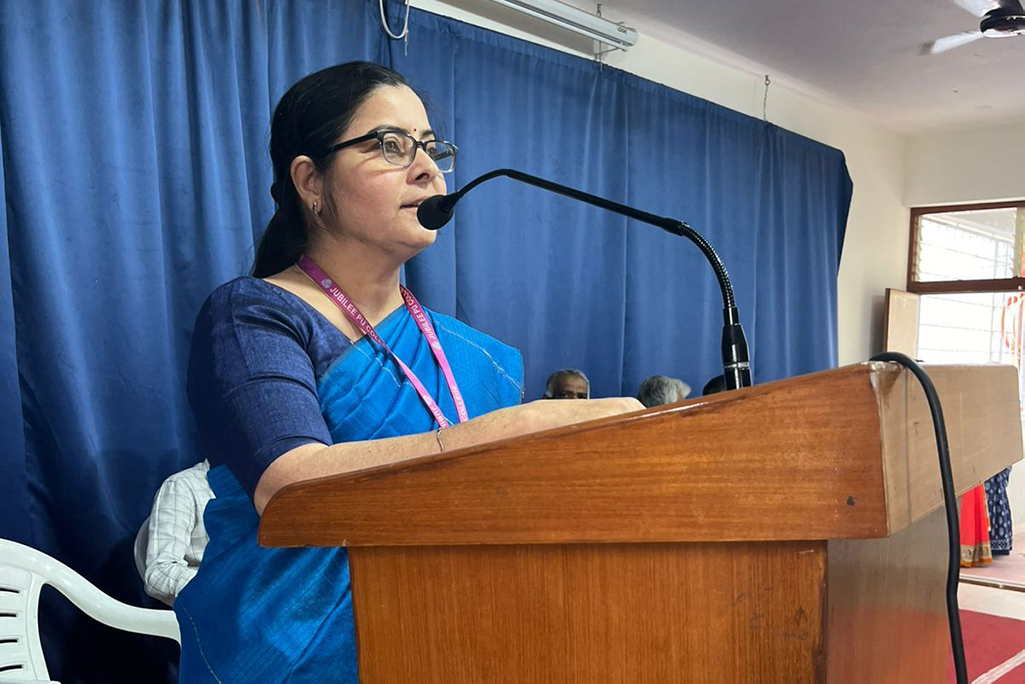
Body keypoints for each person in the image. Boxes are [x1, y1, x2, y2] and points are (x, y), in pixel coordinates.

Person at [174, 62, 642, 682]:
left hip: (457, 643)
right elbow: (291, 488)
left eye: (431, 147)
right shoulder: (254, 314)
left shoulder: (472, 353)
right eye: (390, 145)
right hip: (296, 658)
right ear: (310, 181)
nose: (427, 169)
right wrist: (513, 431)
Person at [141, 459, 214, 606]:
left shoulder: (257, 485)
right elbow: (159, 572)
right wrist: (218, 586)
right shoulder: (182, 486)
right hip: (214, 604)